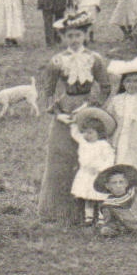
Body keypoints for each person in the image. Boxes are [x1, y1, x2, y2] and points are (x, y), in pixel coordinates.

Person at [37, 12, 111, 224]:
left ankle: (92, 211)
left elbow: (105, 87)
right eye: (70, 36)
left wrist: (92, 107)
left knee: (91, 156)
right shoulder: (58, 60)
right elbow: (48, 90)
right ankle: (59, 211)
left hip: (88, 109)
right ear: (63, 38)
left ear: (86, 35)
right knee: (62, 156)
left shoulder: (95, 58)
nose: (74, 40)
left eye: (78, 35)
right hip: (66, 108)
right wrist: (57, 113)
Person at [69, 106, 118, 226]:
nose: (87, 135)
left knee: (99, 197)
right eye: (85, 132)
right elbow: (75, 133)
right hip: (85, 174)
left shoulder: (103, 145)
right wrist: (74, 121)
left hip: (97, 174)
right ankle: (88, 217)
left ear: (99, 133)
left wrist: (103, 169)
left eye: (90, 132)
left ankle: (101, 217)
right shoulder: (84, 142)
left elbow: (109, 158)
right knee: (88, 197)